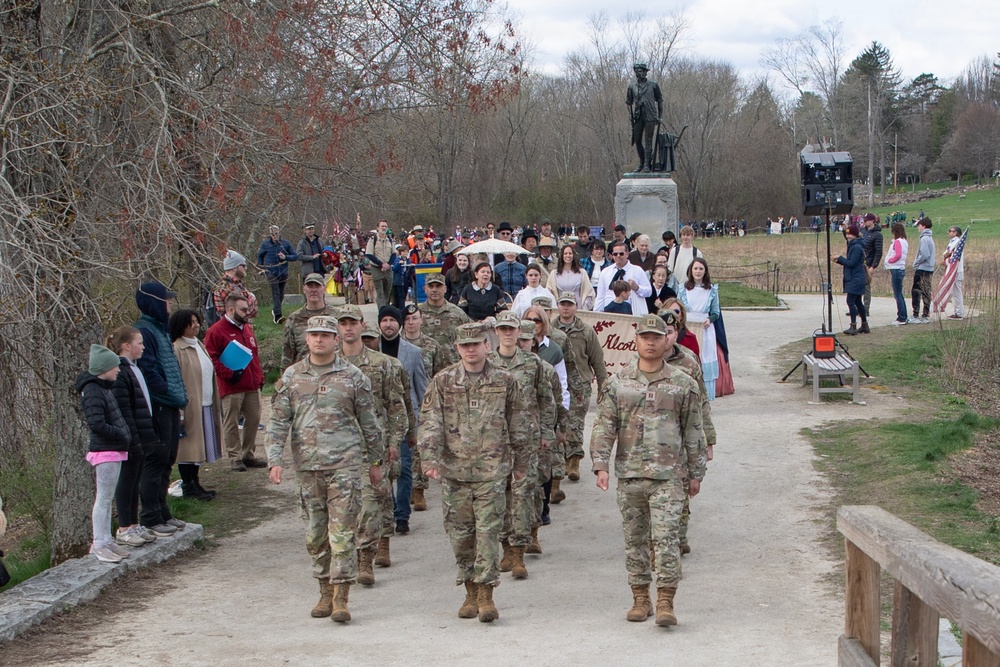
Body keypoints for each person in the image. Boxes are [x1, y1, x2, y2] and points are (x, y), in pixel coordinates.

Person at [590, 314, 706, 626]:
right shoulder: (618, 383)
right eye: (645, 337)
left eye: (657, 337)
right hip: (630, 475)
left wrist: (696, 473)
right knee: (634, 540)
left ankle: (666, 600)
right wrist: (600, 464)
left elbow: (694, 431)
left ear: (667, 340)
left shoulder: (683, 385)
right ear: (636, 339)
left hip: (669, 477)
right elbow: (604, 426)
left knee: (667, 539)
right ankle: (640, 598)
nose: (651, 342)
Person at [267, 316, 385, 623]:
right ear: (306, 339)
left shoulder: (353, 377)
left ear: (336, 340)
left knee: (343, 533)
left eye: (326, 335)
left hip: (344, 466)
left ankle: (341, 596)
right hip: (308, 467)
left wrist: (376, 462)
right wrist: (275, 459)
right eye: (314, 334)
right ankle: (323, 590)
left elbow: (369, 422)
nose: (320, 339)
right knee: (315, 534)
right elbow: (279, 420)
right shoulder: (292, 377)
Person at [418, 321, 530, 623]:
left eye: (476, 344)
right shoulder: (443, 381)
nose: (470, 350)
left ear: (486, 346)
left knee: (488, 535)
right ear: (457, 348)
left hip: (492, 472)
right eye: (465, 345)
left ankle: (485, 594)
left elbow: (519, 421)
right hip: (454, 472)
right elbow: (430, 421)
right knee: (460, 537)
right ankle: (468, 588)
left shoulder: (504, 381)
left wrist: (521, 463)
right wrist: (429, 458)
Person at [333, 307, 407, 585]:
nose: (348, 328)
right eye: (343, 324)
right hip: (337, 447)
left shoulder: (382, 364)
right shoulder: (328, 363)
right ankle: (348, 554)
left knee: (371, 503)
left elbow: (396, 405)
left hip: (372, 445)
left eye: (353, 323)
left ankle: (366, 557)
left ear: (362, 326)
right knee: (343, 506)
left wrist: (394, 441)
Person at [489, 312, 556, 580]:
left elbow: (545, 399)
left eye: (511, 329)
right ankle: (504, 547)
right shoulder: (487, 362)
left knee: (522, 496)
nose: (507, 333)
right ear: (496, 332)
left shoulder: (532, 363)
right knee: (500, 496)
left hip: (525, 441)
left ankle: (518, 553)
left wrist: (546, 432)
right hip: (494, 441)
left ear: (519, 333)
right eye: (502, 329)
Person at [134, 281, 187, 537]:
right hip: (157, 405)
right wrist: (168, 392)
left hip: (171, 403)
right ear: (154, 302)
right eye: (165, 300)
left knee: (168, 460)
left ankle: (163, 511)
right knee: (155, 461)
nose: (169, 305)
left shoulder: (160, 330)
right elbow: (149, 371)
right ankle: (151, 516)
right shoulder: (144, 331)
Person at [662, 310, 717, 555]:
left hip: (683, 438)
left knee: (682, 488)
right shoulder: (641, 360)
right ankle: (663, 539)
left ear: (676, 333)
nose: (664, 338)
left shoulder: (688, 362)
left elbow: (702, 402)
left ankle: (678, 536)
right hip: (653, 440)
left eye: (669, 333)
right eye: (659, 333)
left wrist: (708, 439)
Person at [78, 344, 132, 563]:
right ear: (104, 368)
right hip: (105, 450)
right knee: (103, 498)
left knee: (108, 498)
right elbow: (97, 423)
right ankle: (99, 543)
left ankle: (107, 539)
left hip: (113, 448)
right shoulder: (92, 390)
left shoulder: (104, 388)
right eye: (114, 366)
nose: (118, 370)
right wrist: (120, 434)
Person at [107, 327, 161, 547]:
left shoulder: (132, 368)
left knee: (135, 479)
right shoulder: (120, 371)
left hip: (141, 432)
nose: (143, 346)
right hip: (130, 437)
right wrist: (133, 437)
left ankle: (134, 523)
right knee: (127, 481)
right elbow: (124, 409)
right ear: (127, 346)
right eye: (139, 343)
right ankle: (124, 527)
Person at [377, 305, 428, 539]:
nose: (388, 324)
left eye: (392, 320)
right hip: (377, 422)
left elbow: (421, 388)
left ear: (400, 324)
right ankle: (386, 510)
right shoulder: (370, 348)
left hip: (406, 420)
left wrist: (421, 421)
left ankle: (401, 515)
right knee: (382, 469)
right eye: (384, 320)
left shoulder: (413, 352)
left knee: (405, 468)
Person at [204, 294, 266, 471]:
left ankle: (248, 454)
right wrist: (229, 374)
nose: (248, 313)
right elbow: (212, 359)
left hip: (251, 384)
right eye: (243, 309)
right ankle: (235, 457)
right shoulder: (216, 331)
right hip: (231, 385)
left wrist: (259, 377)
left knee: (254, 418)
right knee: (231, 421)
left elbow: (254, 355)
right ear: (231, 310)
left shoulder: (246, 329)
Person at [552, 291, 607, 485]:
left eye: (570, 304)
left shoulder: (585, 331)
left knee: (575, 424)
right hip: (555, 384)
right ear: (558, 306)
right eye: (562, 304)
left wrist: (603, 386)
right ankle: (557, 463)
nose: (566, 307)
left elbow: (597, 360)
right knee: (556, 423)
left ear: (576, 307)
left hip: (580, 385)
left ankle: (573, 461)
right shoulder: (550, 330)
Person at [170, 309, 223, 501]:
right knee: (189, 448)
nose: (196, 325)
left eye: (197, 321)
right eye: (191, 322)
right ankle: (188, 485)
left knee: (200, 447)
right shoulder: (177, 349)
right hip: (191, 406)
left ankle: (196, 482)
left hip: (206, 403)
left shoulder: (200, 345)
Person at [678, 259, 722, 398]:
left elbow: (715, 311)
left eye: (701, 269)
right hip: (688, 327)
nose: (698, 271)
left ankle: (705, 397)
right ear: (691, 270)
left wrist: (710, 319)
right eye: (695, 268)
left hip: (705, 328)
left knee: (704, 357)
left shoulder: (711, 290)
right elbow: (678, 308)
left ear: (705, 271)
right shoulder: (682, 289)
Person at [282, 273, 337, 369]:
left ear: (324, 289)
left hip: (334, 373)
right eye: (310, 286)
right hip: (304, 375)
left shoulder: (337, 316)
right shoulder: (294, 319)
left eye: (317, 286)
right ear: (304, 289)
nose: (314, 290)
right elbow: (287, 353)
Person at [420, 273, 470, 370]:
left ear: (445, 289)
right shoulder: (416, 315)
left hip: (452, 369)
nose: (434, 290)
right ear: (425, 289)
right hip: (425, 369)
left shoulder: (457, 313)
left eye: (438, 286)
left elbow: (468, 340)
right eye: (431, 286)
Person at [595, 241, 652, 315]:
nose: (618, 256)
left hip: (631, 312)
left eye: (621, 254)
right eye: (615, 254)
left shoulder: (638, 270)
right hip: (609, 312)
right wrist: (596, 313)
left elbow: (648, 292)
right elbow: (600, 296)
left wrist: (637, 288)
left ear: (627, 254)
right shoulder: (605, 272)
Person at [257, 225, 299, 324]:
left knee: (281, 293)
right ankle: (278, 316)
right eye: (272, 234)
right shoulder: (265, 244)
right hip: (270, 271)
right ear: (270, 234)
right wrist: (261, 268)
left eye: (276, 233)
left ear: (279, 232)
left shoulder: (285, 244)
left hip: (283, 271)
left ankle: (275, 309)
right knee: (275, 292)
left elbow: (295, 256)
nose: (275, 236)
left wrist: (285, 257)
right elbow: (260, 256)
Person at [833, 224, 870, 336]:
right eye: (847, 234)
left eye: (850, 234)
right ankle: (864, 325)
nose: (848, 236)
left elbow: (851, 263)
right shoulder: (854, 245)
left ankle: (853, 325)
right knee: (858, 301)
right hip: (855, 277)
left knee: (850, 301)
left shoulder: (856, 247)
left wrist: (840, 258)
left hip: (855, 277)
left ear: (855, 235)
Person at [626, 63, 663, 173]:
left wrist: (660, 116)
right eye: (637, 71)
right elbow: (629, 103)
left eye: (641, 71)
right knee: (637, 139)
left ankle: (647, 164)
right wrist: (631, 116)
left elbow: (660, 100)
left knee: (648, 140)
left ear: (646, 72)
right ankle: (642, 161)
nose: (639, 73)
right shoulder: (632, 87)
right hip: (638, 116)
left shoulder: (653, 85)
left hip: (650, 115)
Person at [212, 250, 259, 322]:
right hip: (232, 331)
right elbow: (244, 312)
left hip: (244, 330)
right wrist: (252, 298)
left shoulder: (239, 285)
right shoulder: (224, 287)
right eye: (243, 266)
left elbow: (254, 313)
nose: (245, 268)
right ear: (234, 267)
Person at [546, 244, 595, 311]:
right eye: (565, 253)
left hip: (578, 309)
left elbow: (589, 292)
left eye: (570, 253)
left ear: (573, 255)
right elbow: (549, 292)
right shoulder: (554, 273)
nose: (568, 256)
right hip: (560, 309)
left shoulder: (582, 272)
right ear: (562, 256)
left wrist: (585, 306)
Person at [910, 217, 935, 324]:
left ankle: (916, 313)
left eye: (919, 225)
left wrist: (917, 262)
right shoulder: (930, 238)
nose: (918, 228)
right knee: (926, 291)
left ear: (923, 226)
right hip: (929, 268)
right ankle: (925, 313)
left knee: (916, 291)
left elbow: (925, 254)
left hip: (923, 268)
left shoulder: (924, 238)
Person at [365, 219, 395, 308]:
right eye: (382, 226)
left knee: (388, 292)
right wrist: (381, 264)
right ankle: (382, 312)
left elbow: (394, 253)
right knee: (380, 293)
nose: (384, 228)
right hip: (376, 268)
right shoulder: (373, 239)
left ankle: (386, 309)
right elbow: (369, 254)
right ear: (377, 228)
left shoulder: (389, 239)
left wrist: (388, 264)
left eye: (385, 226)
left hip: (388, 269)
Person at [884, 223, 909, 325]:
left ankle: (901, 317)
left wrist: (890, 260)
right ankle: (903, 315)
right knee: (899, 294)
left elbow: (898, 255)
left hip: (896, 268)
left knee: (897, 294)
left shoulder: (898, 242)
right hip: (900, 268)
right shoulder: (904, 241)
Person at [860, 213, 884, 316]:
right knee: (857, 286)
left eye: (866, 220)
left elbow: (878, 251)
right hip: (860, 261)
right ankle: (858, 308)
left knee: (866, 287)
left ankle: (866, 309)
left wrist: (873, 266)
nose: (864, 222)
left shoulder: (877, 235)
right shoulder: (863, 232)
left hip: (868, 263)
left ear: (872, 221)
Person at [942, 225, 965, 320]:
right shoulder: (952, 242)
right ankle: (957, 311)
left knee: (957, 292)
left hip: (956, 271)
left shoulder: (957, 243)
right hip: (952, 270)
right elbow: (946, 253)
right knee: (954, 293)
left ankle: (959, 313)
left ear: (956, 233)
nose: (949, 232)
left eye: (951, 231)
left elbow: (954, 258)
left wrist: (945, 261)